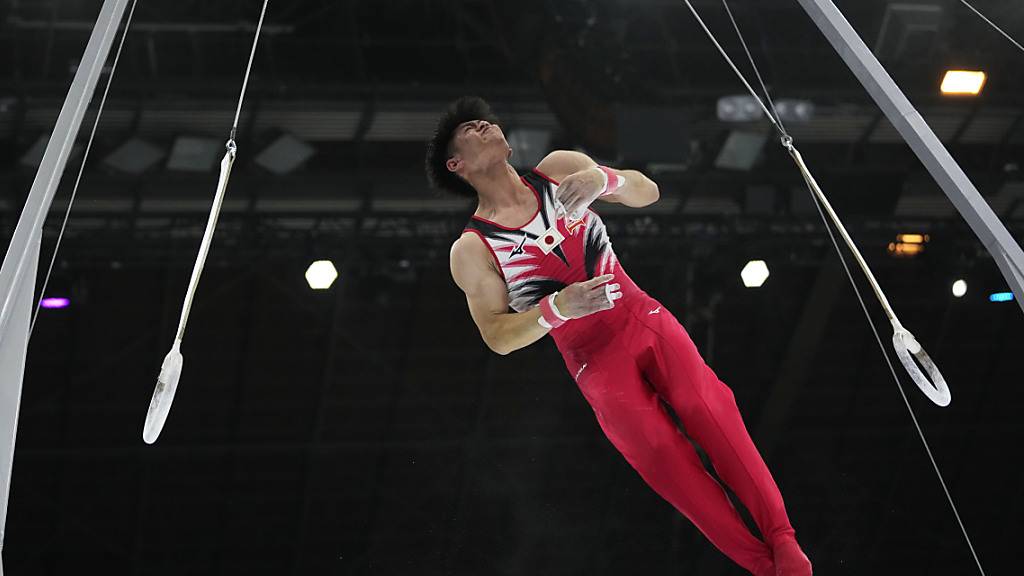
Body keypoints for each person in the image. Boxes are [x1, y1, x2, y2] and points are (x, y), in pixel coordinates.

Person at [426, 96, 812, 576]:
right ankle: (764, 567)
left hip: (642, 318)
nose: (485, 122)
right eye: (470, 128)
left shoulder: (559, 169)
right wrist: (557, 308)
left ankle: (783, 538)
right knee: (666, 464)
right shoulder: (473, 248)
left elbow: (649, 192)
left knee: (710, 409)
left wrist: (606, 179)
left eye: (485, 119)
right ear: (456, 163)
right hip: (594, 364)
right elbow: (498, 336)